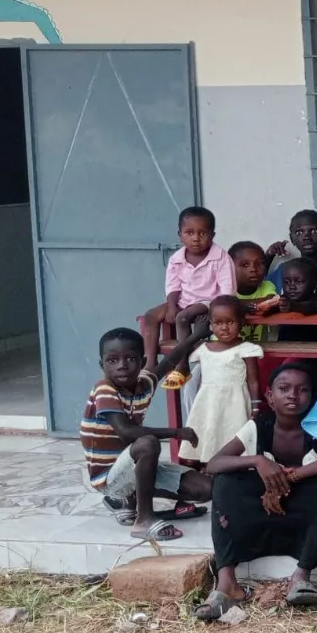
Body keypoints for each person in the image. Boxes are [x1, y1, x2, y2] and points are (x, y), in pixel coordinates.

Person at [194, 362, 317, 618]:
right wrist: (258, 461)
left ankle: (301, 575)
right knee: (225, 481)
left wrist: (290, 477)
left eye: (302, 390)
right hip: (269, 504)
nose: (293, 395)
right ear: (270, 396)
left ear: (312, 397)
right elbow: (215, 463)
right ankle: (227, 583)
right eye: (284, 388)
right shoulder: (258, 427)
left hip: (307, 507)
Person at [83, 326, 213, 540]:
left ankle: (128, 500)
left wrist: (197, 335)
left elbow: (169, 362)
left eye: (131, 359)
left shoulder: (144, 384)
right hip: (108, 477)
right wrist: (176, 432)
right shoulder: (104, 389)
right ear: (102, 365)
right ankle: (143, 519)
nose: (122, 366)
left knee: (205, 489)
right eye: (112, 360)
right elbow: (126, 433)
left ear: (142, 363)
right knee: (147, 443)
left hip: (131, 468)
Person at [142, 206, 234, 385]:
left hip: (209, 301)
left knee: (182, 317)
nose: (196, 238)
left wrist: (217, 311)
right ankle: (150, 362)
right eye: (189, 232)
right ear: (180, 234)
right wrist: (171, 306)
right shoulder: (177, 258)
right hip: (184, 299)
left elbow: (227, 290)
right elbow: (173, 286)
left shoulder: (221, 257)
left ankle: (183, 366)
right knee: (150, 315)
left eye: (202, 233)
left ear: (212, 235)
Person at [177, 296, 264, 465]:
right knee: (209, 431)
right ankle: (204, 465)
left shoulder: (247, 349)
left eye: (230, 322)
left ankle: (230, 467)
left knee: (232, 432)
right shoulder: (203, 349)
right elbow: (183, 355)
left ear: (242, 322)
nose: (224, 328)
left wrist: (255, 406)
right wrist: (197, 334)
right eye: (218, 323)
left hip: (235, 402)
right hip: (208, 402)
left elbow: (253, 381)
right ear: (210, 324)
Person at [229, 241, 277, 343]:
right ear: (229, 267)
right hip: (225, 350)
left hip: (257, 350)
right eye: (245, 265)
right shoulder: (224, 288)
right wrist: (259, 305)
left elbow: (271, 302)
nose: (253, 269)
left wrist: (237, 305)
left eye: (260, 264)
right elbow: (223, 304)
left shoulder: (266, 285)